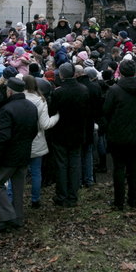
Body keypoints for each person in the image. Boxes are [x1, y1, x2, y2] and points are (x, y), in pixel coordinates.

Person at [0, 76, 38, 232]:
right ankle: (18, 217)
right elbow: (34, 130)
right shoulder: (31, 106)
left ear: (9, 91)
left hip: (9, 155)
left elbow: (4, 137)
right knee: (18, 187)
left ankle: (8, 215)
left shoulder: (7, 109)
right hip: (24, 152)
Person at [103, 59, 136, 209]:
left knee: (119, 168)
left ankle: (119, 202)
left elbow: (106, 111)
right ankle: (133, 199)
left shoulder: (115, 90)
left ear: (121, 72)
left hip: (118, 134)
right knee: (134, 167)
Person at [48, 63, 90, 207]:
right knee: (74, 164)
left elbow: (52, 111)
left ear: (61, 75)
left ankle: (62, 195)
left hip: (61, 132)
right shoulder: (83, 90)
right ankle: (73, 196)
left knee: (61, 164)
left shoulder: (59, 92)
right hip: (77, 132)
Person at [23, 75, 59, 208]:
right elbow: (45, 124)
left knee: (17, 172)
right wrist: (56, 116)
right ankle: (35, 200)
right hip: (36, 140)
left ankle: (13, 200)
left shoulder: (17, 98)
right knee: (36, 171)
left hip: (20, 141)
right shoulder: (40, 101)